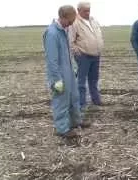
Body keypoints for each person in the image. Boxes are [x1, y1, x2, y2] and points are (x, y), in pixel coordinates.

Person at [43, 5, 91, 138]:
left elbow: (67, 53)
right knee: (61, 101)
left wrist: (74, 66)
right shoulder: (52, 33)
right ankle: (62, 129)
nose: (71, 24)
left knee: (74, 98)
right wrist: (56, 79)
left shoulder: (64, 30)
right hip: (59, 75)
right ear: (62, 17)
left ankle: (75, 121)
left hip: (69, 72)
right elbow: (52, 60)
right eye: (70, 21)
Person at [69, 1, 104, 110]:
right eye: (85, 10)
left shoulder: (93, 20)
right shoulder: (75, 23)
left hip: (96, 55)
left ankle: (96, 100)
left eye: (89, 10)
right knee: (81, 81)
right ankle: (81, 103)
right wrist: (76, 52)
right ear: (78, 10)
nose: (88, 12)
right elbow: (70, 40)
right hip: (83, 56)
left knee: (94, 79)